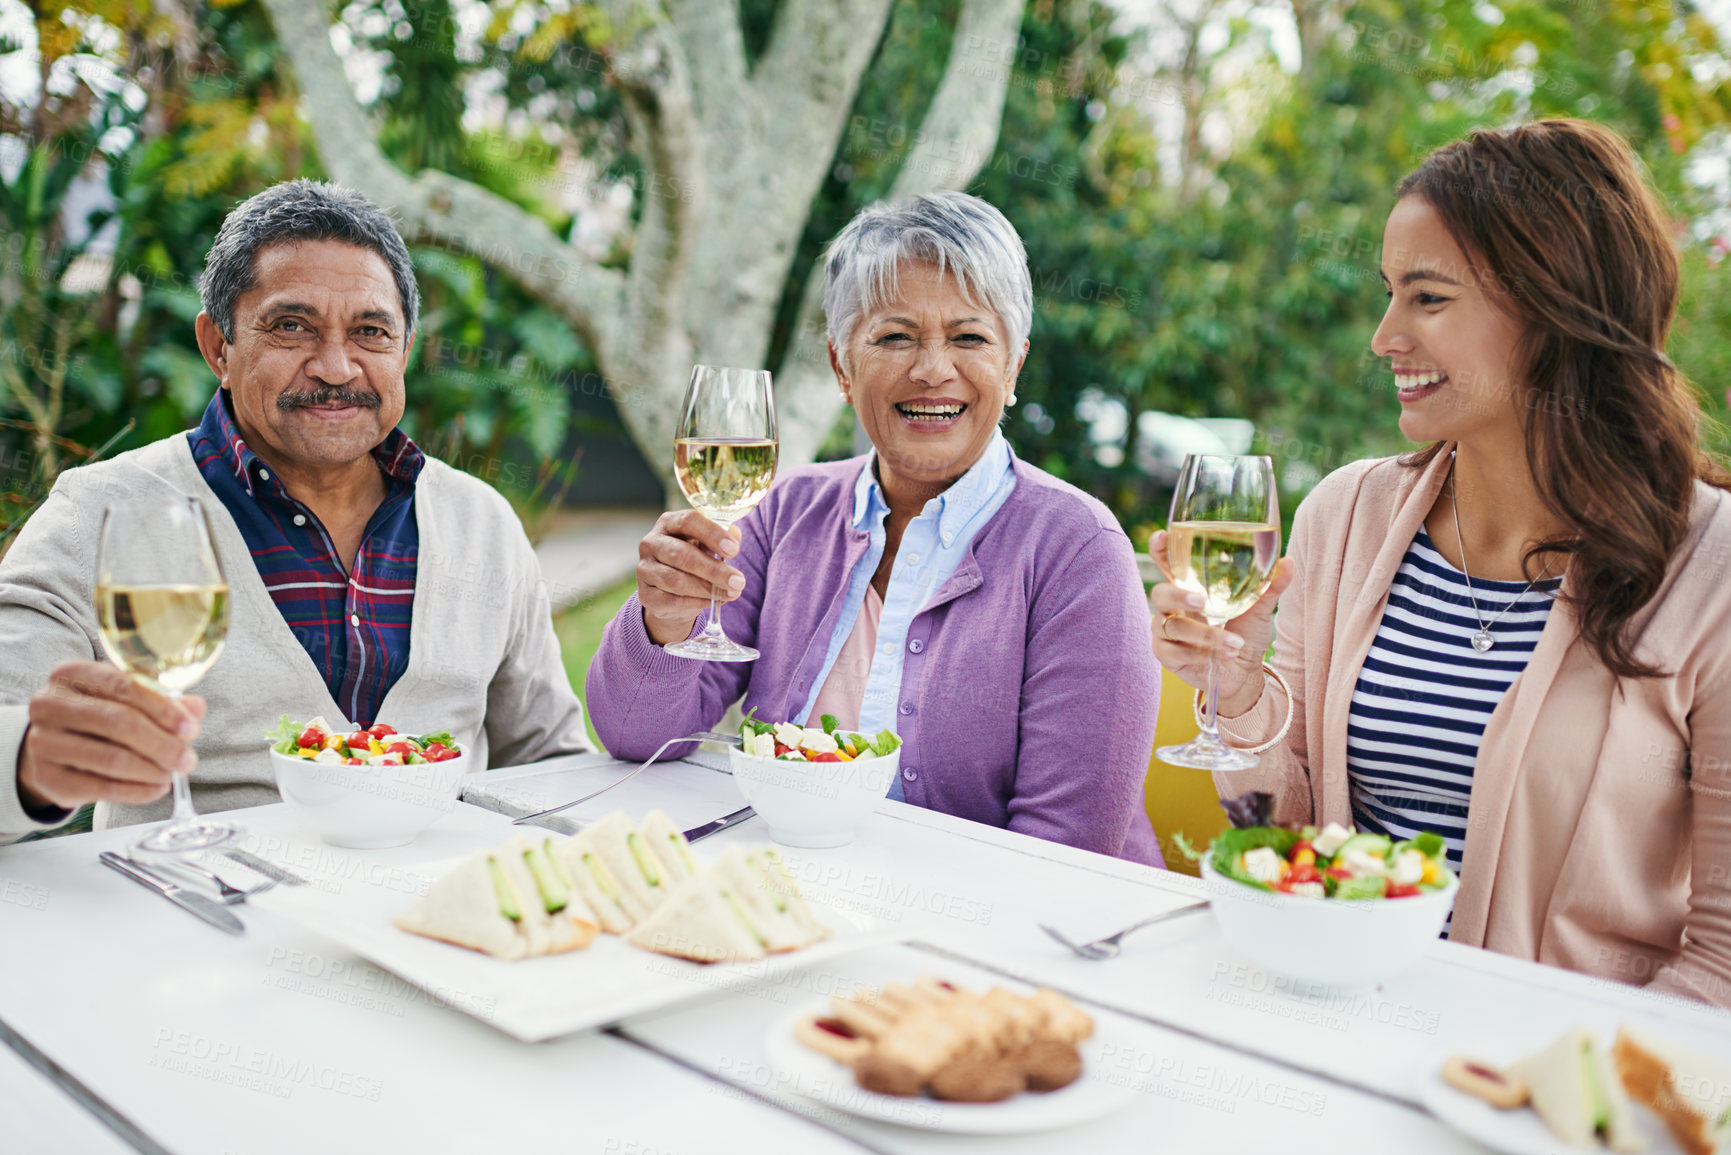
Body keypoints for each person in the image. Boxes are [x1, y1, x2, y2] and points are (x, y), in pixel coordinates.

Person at [1150, 119, 1731, 1005]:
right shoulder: (1345, 515)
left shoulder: (1710, 566)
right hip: (1335, 1022)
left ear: (1555, 309)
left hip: (1552, 1083)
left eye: (1426, 298)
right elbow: (1288, 829)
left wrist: (1539, 1094)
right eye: (1389, 293)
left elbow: (1720, 963)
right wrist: (1233, 682)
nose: (1384, 336)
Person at [0, 180, 591, 840]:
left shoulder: (480, 521)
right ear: (217, 347)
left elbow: (550, 763)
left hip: (434, 927)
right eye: (291, 326)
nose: (336, 367)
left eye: (370, 331)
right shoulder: (100, 511)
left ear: (406, 349)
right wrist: (28, 762)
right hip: (200, 924)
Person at [587, 192, 1162, 864]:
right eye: (894, 336)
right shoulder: (784, 511)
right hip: (804, 904)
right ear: (840, 365)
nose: (931, 368)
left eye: (968, 337)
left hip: (1005, 946)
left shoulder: (1077, 549)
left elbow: (1063, 851)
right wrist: (661, 622)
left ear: (1012, 368)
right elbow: (634, 734)